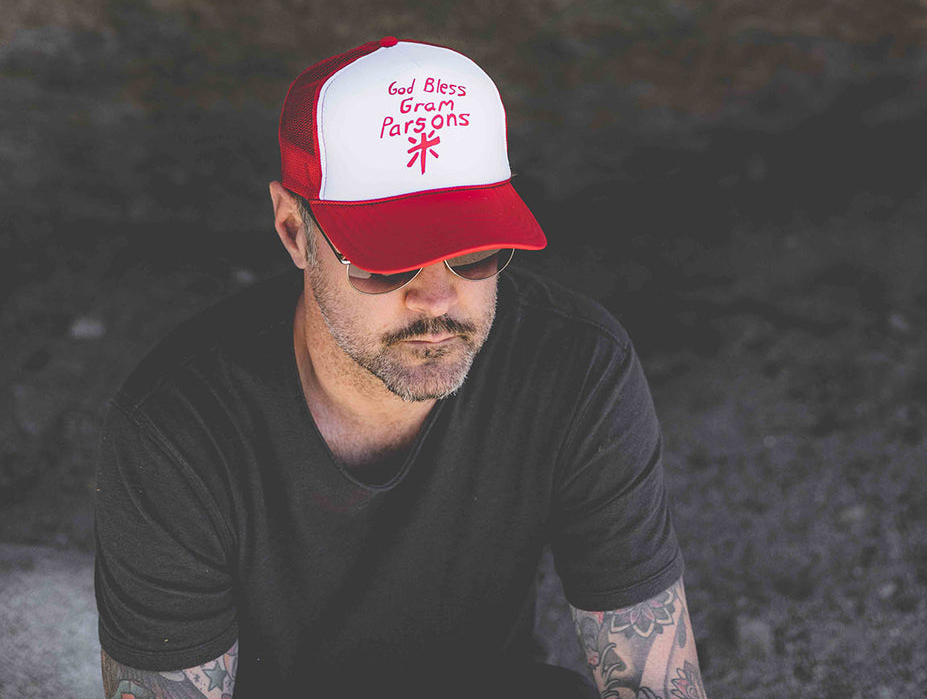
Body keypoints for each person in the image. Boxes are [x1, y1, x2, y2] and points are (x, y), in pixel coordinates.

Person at [94, 38, 708, 698]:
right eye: (385, 260)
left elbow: (656, 680)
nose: (437, 299)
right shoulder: (180, 431)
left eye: (472, 252)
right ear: (293, 230)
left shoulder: (575, 368)